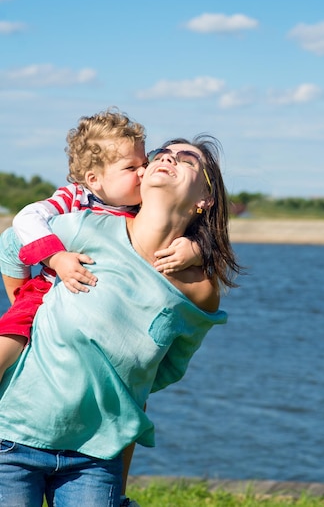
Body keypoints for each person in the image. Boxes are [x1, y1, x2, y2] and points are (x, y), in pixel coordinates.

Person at [0, 135, 240, 506]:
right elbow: (12, 244)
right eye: (163, 154)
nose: (168, 159)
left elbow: (159, 374)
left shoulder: (200, 289)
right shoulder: (84, 226)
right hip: (12, 436)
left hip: (97, 457)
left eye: (187, 160)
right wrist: (26, 308)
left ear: (204, 200)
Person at [0, 109, 201, 380]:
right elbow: (26, 219)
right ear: (94, 179)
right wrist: (56, 257)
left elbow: (177, 231)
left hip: (104, 315)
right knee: (7, 348)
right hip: (45, 293)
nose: (143, 172)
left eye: (144, 163)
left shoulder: (142, 209)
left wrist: (195, 250)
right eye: (131, 168)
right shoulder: (74, 200)